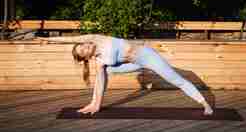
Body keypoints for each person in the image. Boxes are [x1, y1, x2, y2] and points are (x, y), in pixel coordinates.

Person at [38, 34, 213, 115]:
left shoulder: (97, 39)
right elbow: (99, 83)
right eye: (83, 50)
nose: (84, 46)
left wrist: (49, 40)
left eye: (82, 45)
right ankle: (95, 104)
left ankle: (204, 104)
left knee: (176, 80)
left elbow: (70, 39)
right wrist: (94, 103)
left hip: (147, 57)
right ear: (87, 56)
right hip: (134, 64)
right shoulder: (99, 61)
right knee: (105, 70)